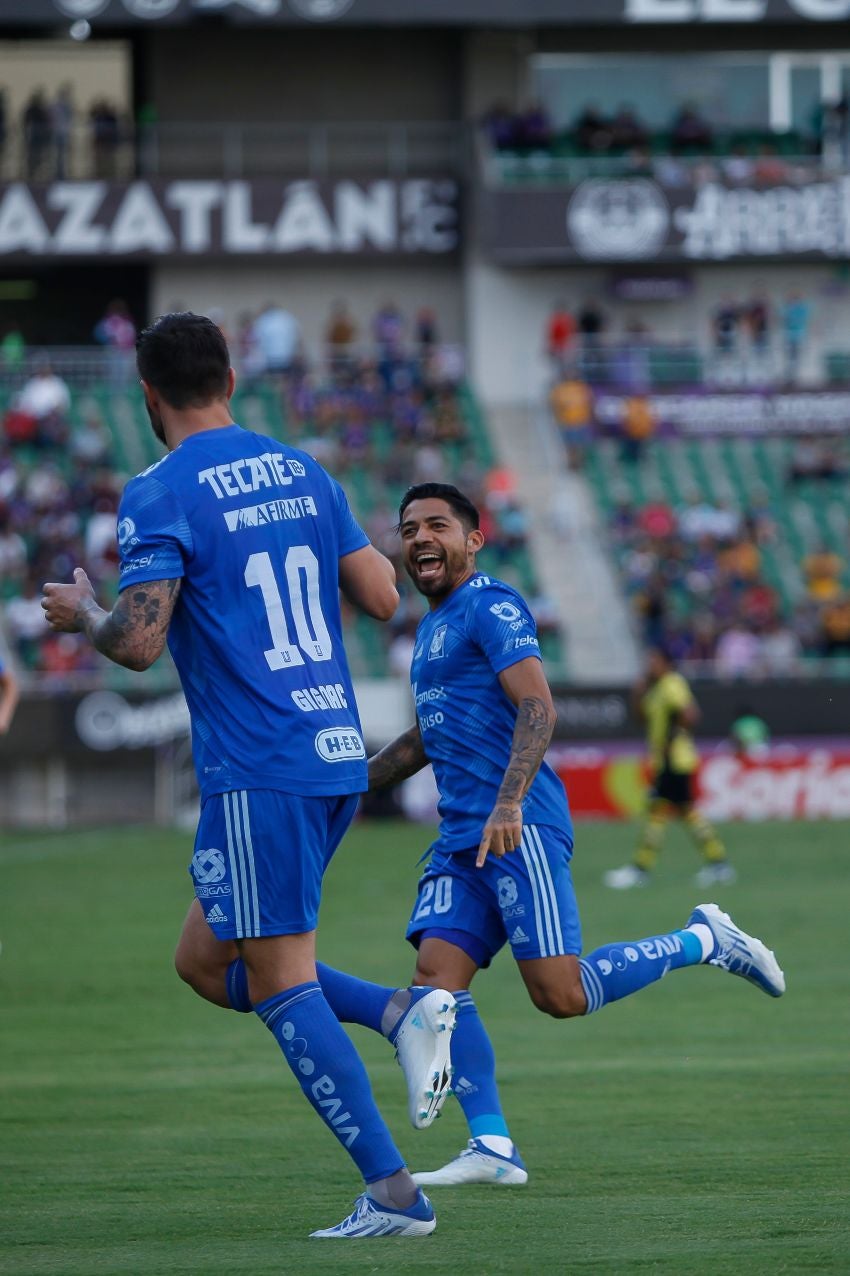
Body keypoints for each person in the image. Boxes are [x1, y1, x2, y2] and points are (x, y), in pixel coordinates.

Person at [40, 312, 457, 1240]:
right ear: (231, 377)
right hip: (336, 754)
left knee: (277, 981)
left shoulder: (159, 491)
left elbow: (140, 641)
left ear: (148, 397)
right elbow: (387, 596)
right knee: (203, 962)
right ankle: (401, 1011)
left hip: (259, 766)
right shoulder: (304, 470)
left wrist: (86, 612)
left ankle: (395, 1194)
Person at [327, 484, 782, 1186]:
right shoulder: (431, 630)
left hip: (519, 828)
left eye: (437, 525)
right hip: (460, 840)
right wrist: (346, 784)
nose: (419, 537)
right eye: (408, 527)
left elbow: (538, 705)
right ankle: (493, 1146)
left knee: (559, 995)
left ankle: (705, 940)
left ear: (472, 540)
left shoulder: (492, 604)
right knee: (433, 988)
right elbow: (426, 739)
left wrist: (509, 805)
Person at [604, 647, 735, 890]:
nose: (649, 664)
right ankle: (718, 863)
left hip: (674, 760)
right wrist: (638, 695)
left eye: (654, 660)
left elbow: (690, 714)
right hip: (668, 760)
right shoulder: (656, 689)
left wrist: (670, 742)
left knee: (658, 813)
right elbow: (642, 720)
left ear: (665, 663)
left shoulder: (672, 684)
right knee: (685, 813)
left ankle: (640, 868)